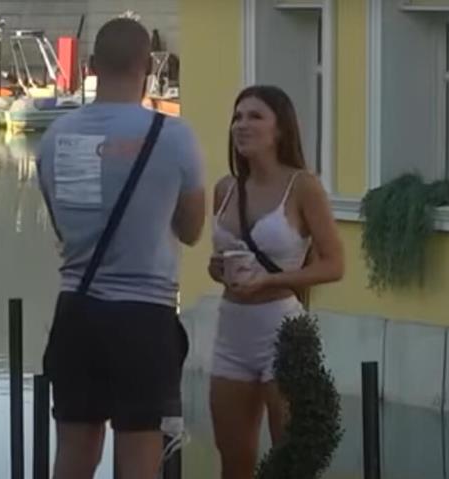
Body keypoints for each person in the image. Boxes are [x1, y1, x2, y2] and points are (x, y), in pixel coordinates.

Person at [36, 17, 206, 479]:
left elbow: (61, 229)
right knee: (139, 455)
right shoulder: (174, 136)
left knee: (74, 452)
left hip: (76, 309)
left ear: (91, 66)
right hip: (144, 316)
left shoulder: (55, 138)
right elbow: (193, 230)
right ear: (148, 67)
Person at [208, 85, 344, 479]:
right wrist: (218, 270)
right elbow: (216, 264)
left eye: (255, 116)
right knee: (233, 463)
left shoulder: (302, 186)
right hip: (231, 331)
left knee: (291, 459)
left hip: (281, 331)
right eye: (237, 117)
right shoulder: (225, 189)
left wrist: (271, 279)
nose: (241, 125)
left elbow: (334, 265)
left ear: (280, 129)